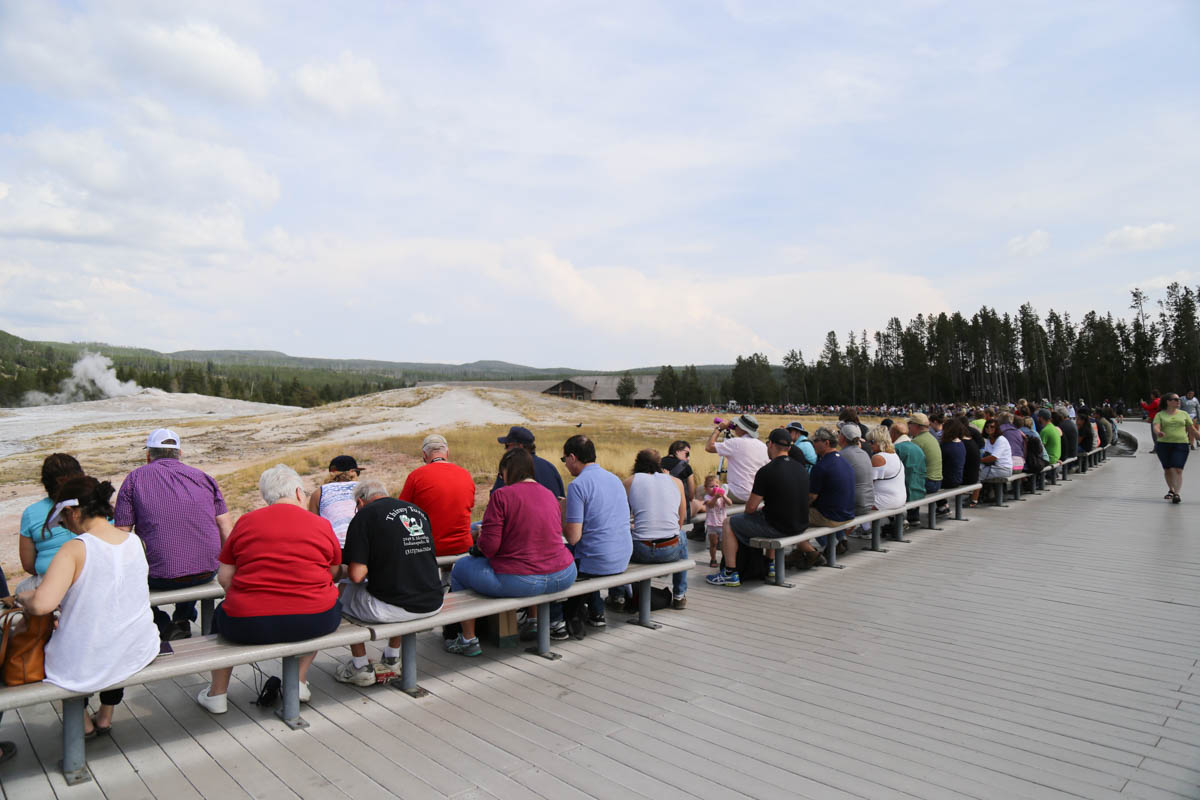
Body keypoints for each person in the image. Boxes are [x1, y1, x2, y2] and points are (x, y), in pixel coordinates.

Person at [16, 476, 159, 736]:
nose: (65, 526)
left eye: (63, 519)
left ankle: (82, 724)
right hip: (138, 646)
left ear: (74, 512)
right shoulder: (135, 542)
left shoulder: (75, 549)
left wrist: (24, 597)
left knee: (60, 652)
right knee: (114, 639)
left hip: (90, 657)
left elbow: (41, 605)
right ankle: (105, 716)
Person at [196, 465, 342, 713]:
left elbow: (225, 577)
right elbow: (334, 572)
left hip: (248, 624)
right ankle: (298, 680)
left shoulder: (246, 522)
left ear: (267, 496)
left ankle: (217, 694)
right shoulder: (320, 524)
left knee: (221, 617)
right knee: (326, 603)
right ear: (298, 492)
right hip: (315, 619)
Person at [444, 448, 577, 654]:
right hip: (563, 574)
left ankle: (468, 639)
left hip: (523, 581)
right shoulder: (549, 495)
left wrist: (481, 536)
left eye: (501, 473)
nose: (501, 478)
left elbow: (490, 548)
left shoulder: (501, 496)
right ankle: (532, 621)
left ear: (508, 471)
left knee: (460, 568)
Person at [114, 428, 233, 641]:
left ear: (149, 455)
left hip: (159, 577)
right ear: (180, 453)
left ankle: (163, 624)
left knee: (131, 581)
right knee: (188, 549)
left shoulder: (134, 479)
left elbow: (121, 533)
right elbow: (225, 526)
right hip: (207, 571)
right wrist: (228, 565)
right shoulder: (204, 478)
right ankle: (182, 618)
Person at [335, 480, 444, 678]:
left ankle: (360, 667)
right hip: (433, 601)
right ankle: (392, 657)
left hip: (397, 608)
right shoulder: (416, 510)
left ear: (360, 502)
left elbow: (357, 576)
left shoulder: (365, 516)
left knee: (344, 593)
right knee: (400, 583)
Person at [707, 428, 813, 586]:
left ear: (770, 444)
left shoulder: (766, 471)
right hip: (801, 525)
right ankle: (770, 565)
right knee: (769, 515)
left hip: (780, 527)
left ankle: (730, 573)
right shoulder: (800, 468)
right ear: (789, 447)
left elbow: (750, 508)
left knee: (729, 523)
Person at [555, 435, 631, 636]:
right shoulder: (614, 479)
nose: (565, 465)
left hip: (597, 561)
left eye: (564, 460)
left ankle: (557, 620)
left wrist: (563, 511)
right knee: (590, 548)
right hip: (622, 557)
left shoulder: (578, 486)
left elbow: (573, 537)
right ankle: (596, 612)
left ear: (572, 457)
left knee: (558, 558)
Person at [614, 449, 689, 608]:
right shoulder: (676, 482)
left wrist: (633, 527)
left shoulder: (629, 482)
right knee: (681, 535)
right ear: (659, 464)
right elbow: (681, 517)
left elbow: (620, 519)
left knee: (619, 540)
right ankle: (679, 595)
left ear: (636, 463)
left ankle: (618, 596)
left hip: (641, 549)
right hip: (670, 548)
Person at [398, 434, 475, 557]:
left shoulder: (416, 476)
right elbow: (469, 505)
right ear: (447, 452)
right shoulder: (465, 474)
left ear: (424, 455)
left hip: (429, 547)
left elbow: (401, 512)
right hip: (463, 545)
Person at [17, 453, 84, 594]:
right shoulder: (96, 504)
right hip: (93, 575)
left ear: (45, 483)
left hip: (50, 581)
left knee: (20, 591)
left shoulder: (31, 512)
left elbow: (29, 565)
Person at [805, 426, 854, 558]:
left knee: (794, 516)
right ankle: (839, 538)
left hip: (832, 517)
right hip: (848, 513)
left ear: (826, 443)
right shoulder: (844, 461)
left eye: (816, 441)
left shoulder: (821, 466)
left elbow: (811, 497)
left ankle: (814, 550)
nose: (813, 444)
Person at [704, 414, 769, 503]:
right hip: (757, 495)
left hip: (739, 494)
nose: (735, 427)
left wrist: (719, 429)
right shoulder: (763, 446)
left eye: (737, 425)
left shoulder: (736, 443)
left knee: (703, 489)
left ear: (742, 428)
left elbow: (709, 447)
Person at [493, 426, 565, 499]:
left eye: (507, 445)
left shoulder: (511, 468)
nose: (506, 449)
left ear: (519, 447)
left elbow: (496, 498)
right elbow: (561, 500)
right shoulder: (550, 467)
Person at [1152, 394, 1198, 503]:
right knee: (1167, 469)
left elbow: (1192, 430)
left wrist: (1198, 436)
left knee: (1177, 469)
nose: (1179, 401)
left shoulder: (1184, 414)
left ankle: (1177, 494)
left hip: (1181, 444)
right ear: (1168, 402)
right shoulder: (1160, 415)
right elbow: (1156, 426)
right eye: (1176, 399)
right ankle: (1171, 490)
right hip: (1164, 445)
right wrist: (1159, 432)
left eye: (1179, 400)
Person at [307, 454, 361, 547]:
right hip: (361, 544)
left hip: (334, 546)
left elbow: (313, 526)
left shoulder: (319, 492)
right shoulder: (362, 487)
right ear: (352, 472)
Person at [837, 423, 875, 548]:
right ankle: (838, 541)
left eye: (839, 433)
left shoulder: (843, 455)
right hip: (869, 500)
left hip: (857, 505)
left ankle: (834, 544)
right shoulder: (863, 453)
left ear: (843, 438)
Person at [890, 422, 926, 523]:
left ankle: (897, 520)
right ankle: (914, 517)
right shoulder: (917, 447)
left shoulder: (897, 448)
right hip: (919, 488)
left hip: (904, 490)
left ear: (894, 433)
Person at [865, 425, 906, 514]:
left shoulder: (878, 457)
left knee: (853, 501)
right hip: (899, 498)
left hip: (885, 500)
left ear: (880, 442)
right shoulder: (894, 455)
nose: (869, 444)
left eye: (872, 442)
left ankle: (864, 527)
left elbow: (868, 483)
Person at [975, 419, 1013, 503]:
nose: (989, 428)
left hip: (1003, 468)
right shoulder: (989, 440)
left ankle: (974, 499)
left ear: (997, 428)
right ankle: (979, 497)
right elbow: (987, 455)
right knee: (976, 470)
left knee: (977, 475)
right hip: (994, 467)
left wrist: (979, 461)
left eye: (992, 427)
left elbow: (993, 457)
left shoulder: (1001, 440)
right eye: (987, 427)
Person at [660, 440, 701, 517]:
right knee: (699, 504)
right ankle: (700, 528)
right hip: (677, 511)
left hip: (659, 508)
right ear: (678, 451)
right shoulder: (685, 467)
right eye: (687, 453)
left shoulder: (657, 463)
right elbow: (691, 496)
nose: (688, 457)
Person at [908, 413, 943, 500]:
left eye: (910, 426)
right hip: (938, 481)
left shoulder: (917, 441)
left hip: (928, 482)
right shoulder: (932, 438)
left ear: (916, 426)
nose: (908, 428)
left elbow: (910, 466)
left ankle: (912, 513)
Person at [701, 474, 727, 568]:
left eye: (716, 486)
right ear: (706, 488)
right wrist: (716, 497)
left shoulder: (722, 497)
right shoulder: (707, 497)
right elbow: (711, 505)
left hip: (722, 524)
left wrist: (724, 496)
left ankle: (725, 559)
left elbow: (730, 503)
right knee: (713, 543)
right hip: (712, 524)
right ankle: (713, 559)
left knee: (724, 544)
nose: (714, 488)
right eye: (711, 486)